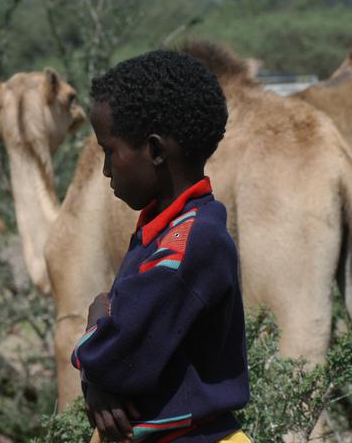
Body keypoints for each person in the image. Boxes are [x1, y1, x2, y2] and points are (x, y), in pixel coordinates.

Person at [71, 50, 251, 442]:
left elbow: (118, 356)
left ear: (154, 151)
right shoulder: (163, 229)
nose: (105, 170)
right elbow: (120, 345)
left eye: (109, 151)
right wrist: (99, 368)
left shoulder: (187, 246)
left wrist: (94, 321)